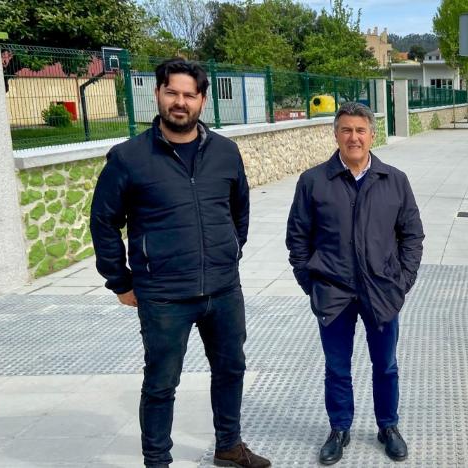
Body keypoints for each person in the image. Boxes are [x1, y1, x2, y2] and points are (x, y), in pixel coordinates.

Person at [90, 58, 270, 468]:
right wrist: (120, 281)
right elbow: (103, 221)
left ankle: (229, 445)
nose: (180, 102)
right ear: (157, 94)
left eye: (189, 94)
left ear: (202, 100)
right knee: (161, 383)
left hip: (223, 290)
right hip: (165, 296)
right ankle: (157, 462)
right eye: (172, 92)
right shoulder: (128, 158)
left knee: (231, 370)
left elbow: (238, 211)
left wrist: (228, 252)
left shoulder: (225, 152)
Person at [286, 102, 424, 465]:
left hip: (382, 293)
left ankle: (388, 427)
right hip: (333, 293)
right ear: (335, 135)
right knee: (337, 367)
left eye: (360, 130)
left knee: (387, 365)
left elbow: (412, 236)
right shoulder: (313, 182)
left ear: (372, 135)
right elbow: (297, 239)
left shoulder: (394, 180)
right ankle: (339, 429)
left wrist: (402, 282)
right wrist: (311, 283)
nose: (353, 137)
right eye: (346, 130)